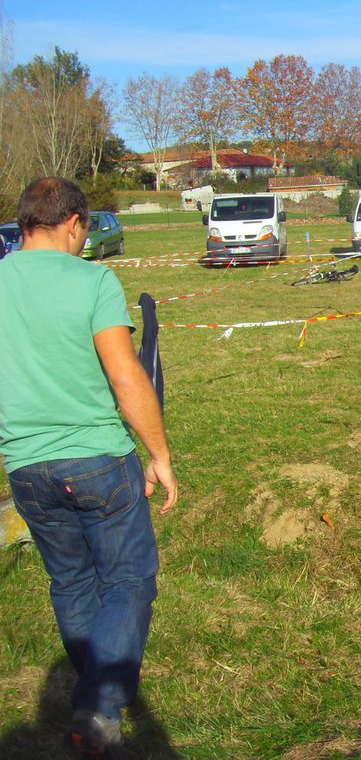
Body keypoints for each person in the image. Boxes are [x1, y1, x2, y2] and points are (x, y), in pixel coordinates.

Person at [0, 177, 178, 758]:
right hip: (98, 458)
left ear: (26, 222)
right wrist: (159, 455)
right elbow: (127, 378)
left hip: (26, 467)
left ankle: (91, 705)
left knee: (71, 582)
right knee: (128, 579)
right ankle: (99, 707)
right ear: (75, 224)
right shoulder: (94, 278)